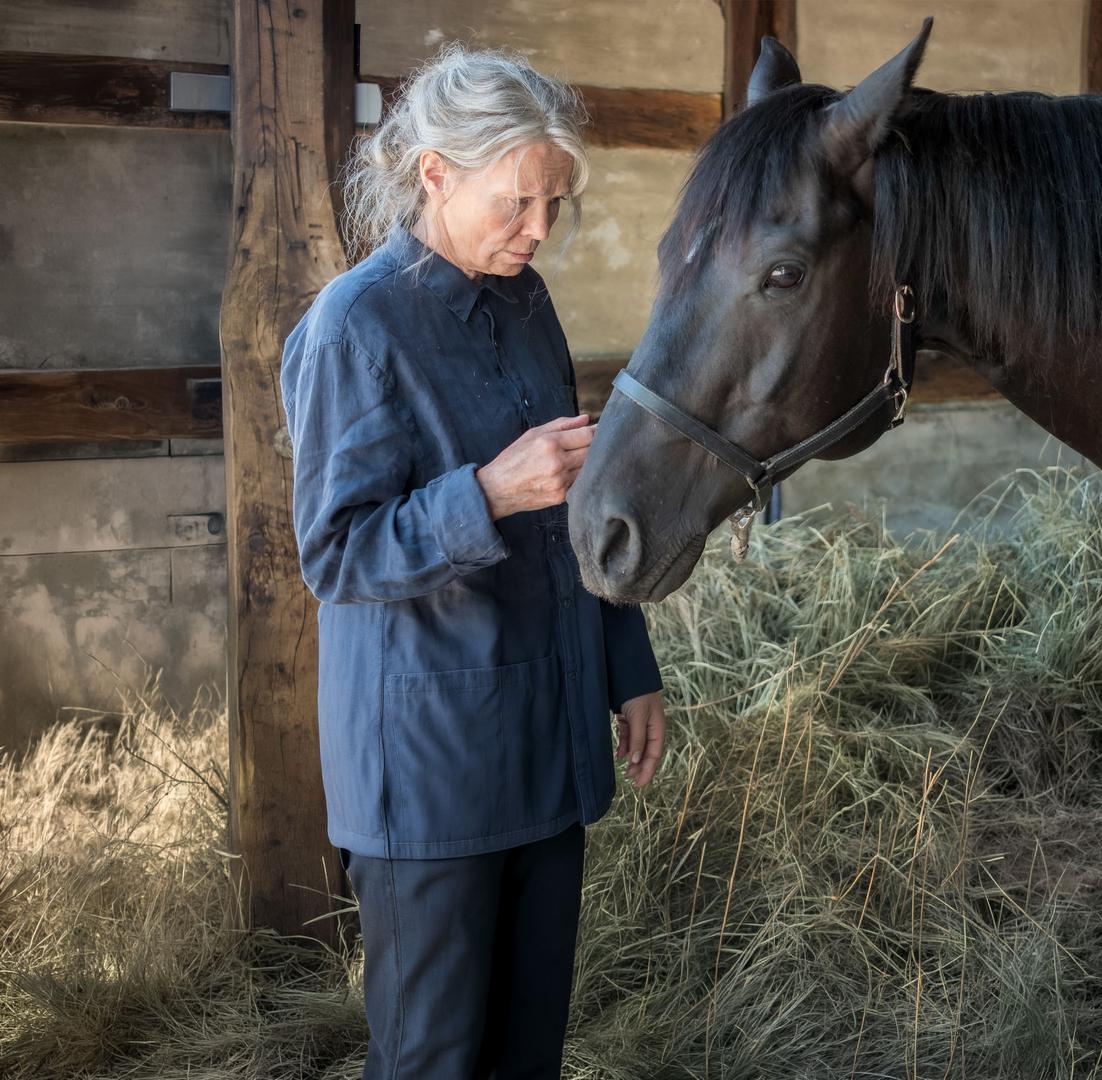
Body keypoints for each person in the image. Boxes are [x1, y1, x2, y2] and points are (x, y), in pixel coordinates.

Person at [277, 43, 669, 1080]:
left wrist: (627, 666)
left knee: (528, 1053)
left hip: (548, 736)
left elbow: (572, 503)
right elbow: (336, 551)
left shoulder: (526, 304)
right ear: (435, 173)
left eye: (553, 203)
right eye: (517, 201)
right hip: (431, 770)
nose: (539, 229)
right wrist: (487, 492)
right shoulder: (353, 327)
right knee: (433, 1061)